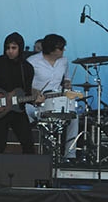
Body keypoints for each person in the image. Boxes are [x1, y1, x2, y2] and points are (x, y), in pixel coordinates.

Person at [27, 34, 78, 162]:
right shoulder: (32, 62)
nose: (63, 50)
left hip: (55, 102)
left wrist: (67, 85)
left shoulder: (64, 61)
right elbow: (23, 85)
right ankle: (28, 151)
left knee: (74, 117)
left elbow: (66, 79)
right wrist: (34, 93)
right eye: (61, 48)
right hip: (35, 103)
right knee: (23, 113)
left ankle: (70, 155)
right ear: (52, 50)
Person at [0, 32, 37, 157]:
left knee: (28, 144)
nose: (10, 51)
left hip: (18, 110)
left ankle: (28, 173)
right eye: (7, 48)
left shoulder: (26, 68)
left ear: (20, 48)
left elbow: (27, 92)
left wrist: (36, 99)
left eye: (13, 48)